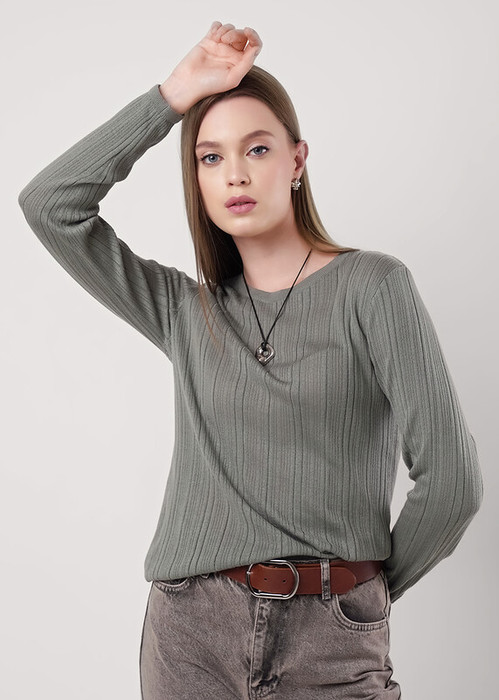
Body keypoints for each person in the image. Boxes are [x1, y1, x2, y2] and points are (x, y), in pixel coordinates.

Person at [18, 21, 483, 700]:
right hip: (189, 637)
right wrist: (172, 96)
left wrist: (358, 591)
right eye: (209, 158)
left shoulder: (373, 287)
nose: (234, 172)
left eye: (256, 149)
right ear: (196, 180)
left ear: (297, 161)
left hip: (331, 638)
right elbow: (50, 205)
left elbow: (452, 484)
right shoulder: (183, 310)